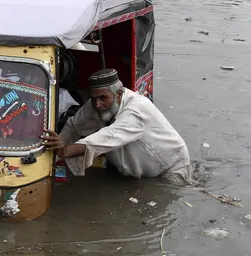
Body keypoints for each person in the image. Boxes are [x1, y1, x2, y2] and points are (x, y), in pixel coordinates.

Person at [42, 69, 192, 185]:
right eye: (94, 99)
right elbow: (74, 126)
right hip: (134, 169)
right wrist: (49, 157)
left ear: (119, 94)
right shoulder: (97, 104)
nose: (97, 105)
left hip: (170, 169)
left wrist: (65, 151)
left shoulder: (137, 110)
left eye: (103, 98)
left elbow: (106, 138)